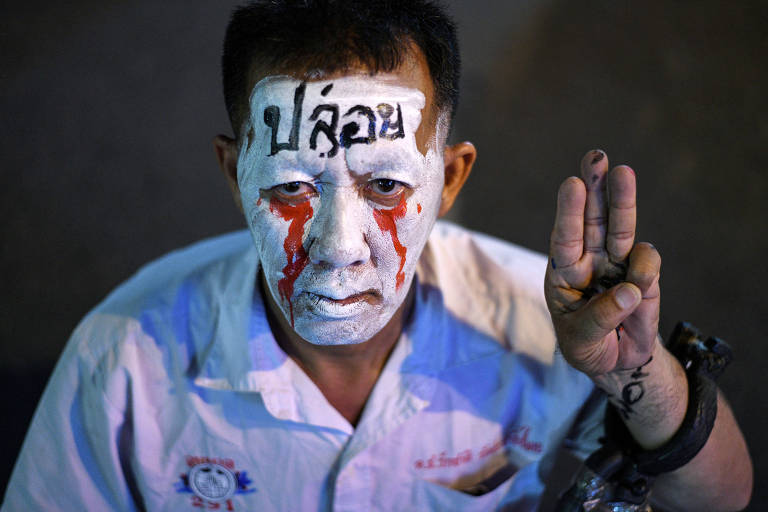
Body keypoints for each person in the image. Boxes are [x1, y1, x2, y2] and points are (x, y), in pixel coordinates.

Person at [2, 1, 753, 510]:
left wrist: (634, 375)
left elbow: (726, 498)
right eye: (292, 188)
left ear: (449, 178)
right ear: (236, 174)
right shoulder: (124, 357)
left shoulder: (552, 330)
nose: (338, 247)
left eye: (388, 185)